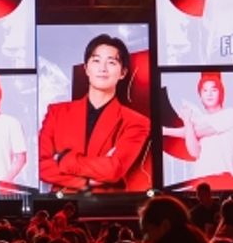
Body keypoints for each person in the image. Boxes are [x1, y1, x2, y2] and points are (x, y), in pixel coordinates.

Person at [39, 34, 150, 192]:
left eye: (111, 62)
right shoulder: (56, 112)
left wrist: (63, 160)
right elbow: (42, 165)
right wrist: (88, 181)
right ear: (86, 68)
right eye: (96, 60)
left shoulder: (136, 122)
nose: (102, 68)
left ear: (123, 73)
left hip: (109, 207)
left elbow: (114, 170)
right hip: (61, 204)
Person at [162, 72, 233, 183]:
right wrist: (187, 122)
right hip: (200, 180)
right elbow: (194, 152)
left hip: (224, 178)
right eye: (205, 91)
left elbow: (198, 131)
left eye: (214, 90)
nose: (209, 94)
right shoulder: (199, 120)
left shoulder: (231, 114)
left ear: (221, 93)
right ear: (200, 95)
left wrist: (166, 130)